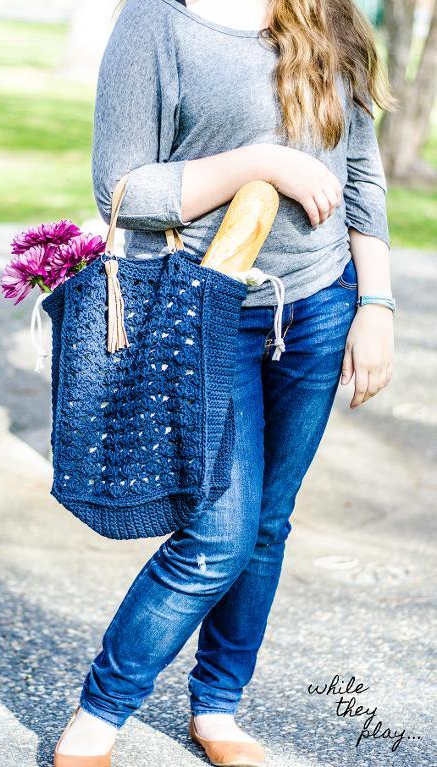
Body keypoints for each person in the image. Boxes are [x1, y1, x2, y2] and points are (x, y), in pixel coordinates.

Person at [53, 1, 395, 765]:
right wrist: (261, 162)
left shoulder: (325, 10)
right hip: (204, 305)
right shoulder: (158, 23)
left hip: (320, 304)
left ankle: (218, 706)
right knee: (218, 532)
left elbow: (362, 170)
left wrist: (375, 304)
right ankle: (102, 709)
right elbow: (121, 191)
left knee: (269, 521)